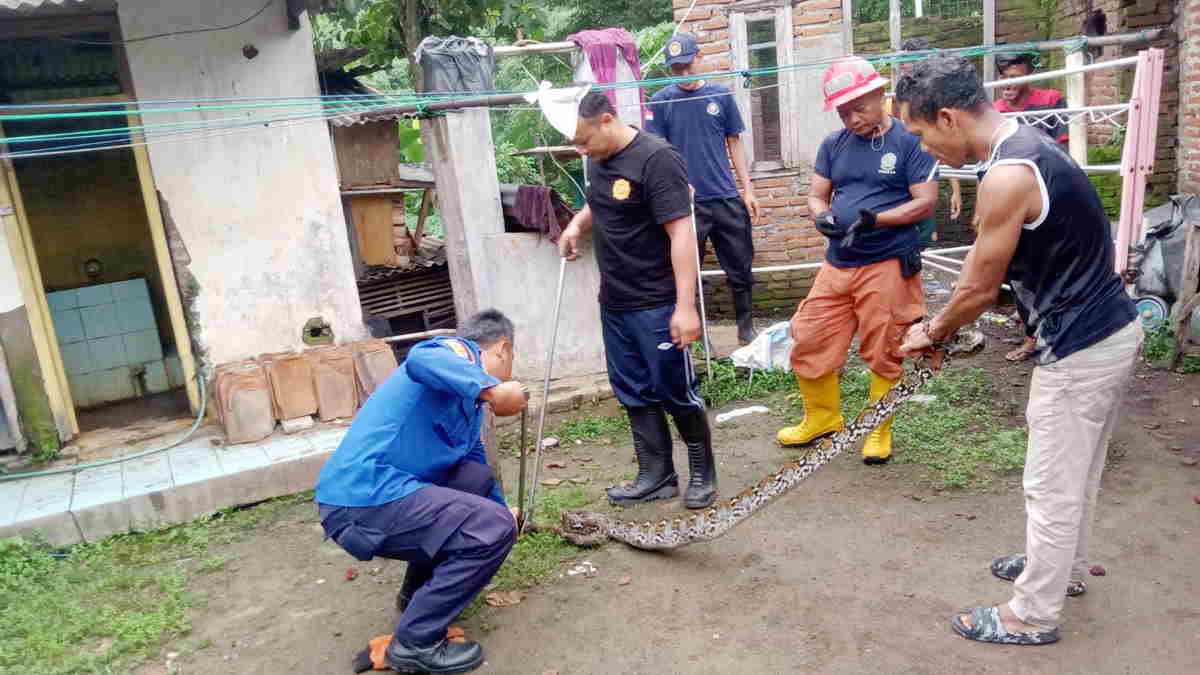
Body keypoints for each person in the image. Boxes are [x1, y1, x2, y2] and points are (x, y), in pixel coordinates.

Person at [895, 56, 1140, 645]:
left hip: (1081, 345)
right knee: (1077, 474)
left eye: (923, 134)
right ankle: (1061, 570)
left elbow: (978, 288)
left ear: (948, 118)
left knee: (1052, 483)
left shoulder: (1008, 176)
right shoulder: (1026, 146)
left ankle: (1031, 613)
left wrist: (931, 331)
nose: (926, 150)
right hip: (1110, 331)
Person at [314, 309, 527, 673]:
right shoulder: (452, 352)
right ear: (503, 348)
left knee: (476, 486)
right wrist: (493, 389)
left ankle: (417, 597)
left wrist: (503, 510)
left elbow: (475, 470)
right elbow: (423, 356)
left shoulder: (468, 404)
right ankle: (416, 643)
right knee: (490, 528)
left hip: (385, 498)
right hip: (362, 497)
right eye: (512, 360)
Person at [559, 90, 718, 509]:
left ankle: (702, 472)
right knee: (631, 389)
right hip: (615, 299)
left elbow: (681, 232)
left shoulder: (657, 159)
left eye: (584, 140)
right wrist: (576, 224)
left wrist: (685, 307)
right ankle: (656, 475)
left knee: (674, 388)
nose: (581, 150)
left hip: (657, 300)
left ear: (607, 119)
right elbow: (601, 203)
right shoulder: (598, 158)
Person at [775, 55, 937, 465]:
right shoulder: (834, 145)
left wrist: (875, 220)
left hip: (887, 262)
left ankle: (876, 429)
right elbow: (817, 194)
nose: (851, 118)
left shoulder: (909, 142)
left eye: (858, 107)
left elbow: (924, 202)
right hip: (838, 262)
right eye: (843, 111)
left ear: (879, 95)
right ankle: (823, 418)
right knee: (810, 335)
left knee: (886, 345)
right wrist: (822, 215)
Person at [646, 32, 761, 345]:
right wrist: (679, 184)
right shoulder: (661, 102)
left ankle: (745, 328)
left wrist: (747, 190)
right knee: (688, 273)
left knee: (740, 266)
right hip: (686, 206)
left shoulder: (720, 96)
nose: (683, 74)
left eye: (686, 65)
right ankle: (699, 335)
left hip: (724, 196)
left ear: (699, 59)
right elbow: (657, 153)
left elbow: (734, 142)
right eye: (675, 69)